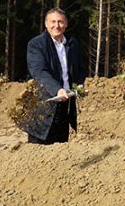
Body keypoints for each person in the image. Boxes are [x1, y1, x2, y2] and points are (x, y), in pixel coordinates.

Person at [22, 8, 87, 144]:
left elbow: (81, 68)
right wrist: (57, 89)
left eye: (60, 22)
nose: (56, 25)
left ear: (66, 24)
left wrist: (79, 84)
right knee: (39, 149)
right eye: (53, 22)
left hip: (65, 104)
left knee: (60, 148)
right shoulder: (36, 44)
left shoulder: (72, 44)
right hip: (43, 104)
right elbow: (39, 71)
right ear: (46, 24)